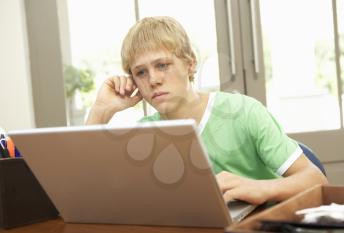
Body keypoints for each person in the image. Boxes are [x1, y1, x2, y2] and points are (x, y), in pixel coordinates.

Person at [86, 16, 328, 205]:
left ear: (190, 63)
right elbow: (90, 191)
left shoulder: (243, 111)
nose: (153, 80)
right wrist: (100, 112)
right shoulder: (145, 133)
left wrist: (259, 187)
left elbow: (316, 179)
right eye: (141, 72)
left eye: (162, 65)